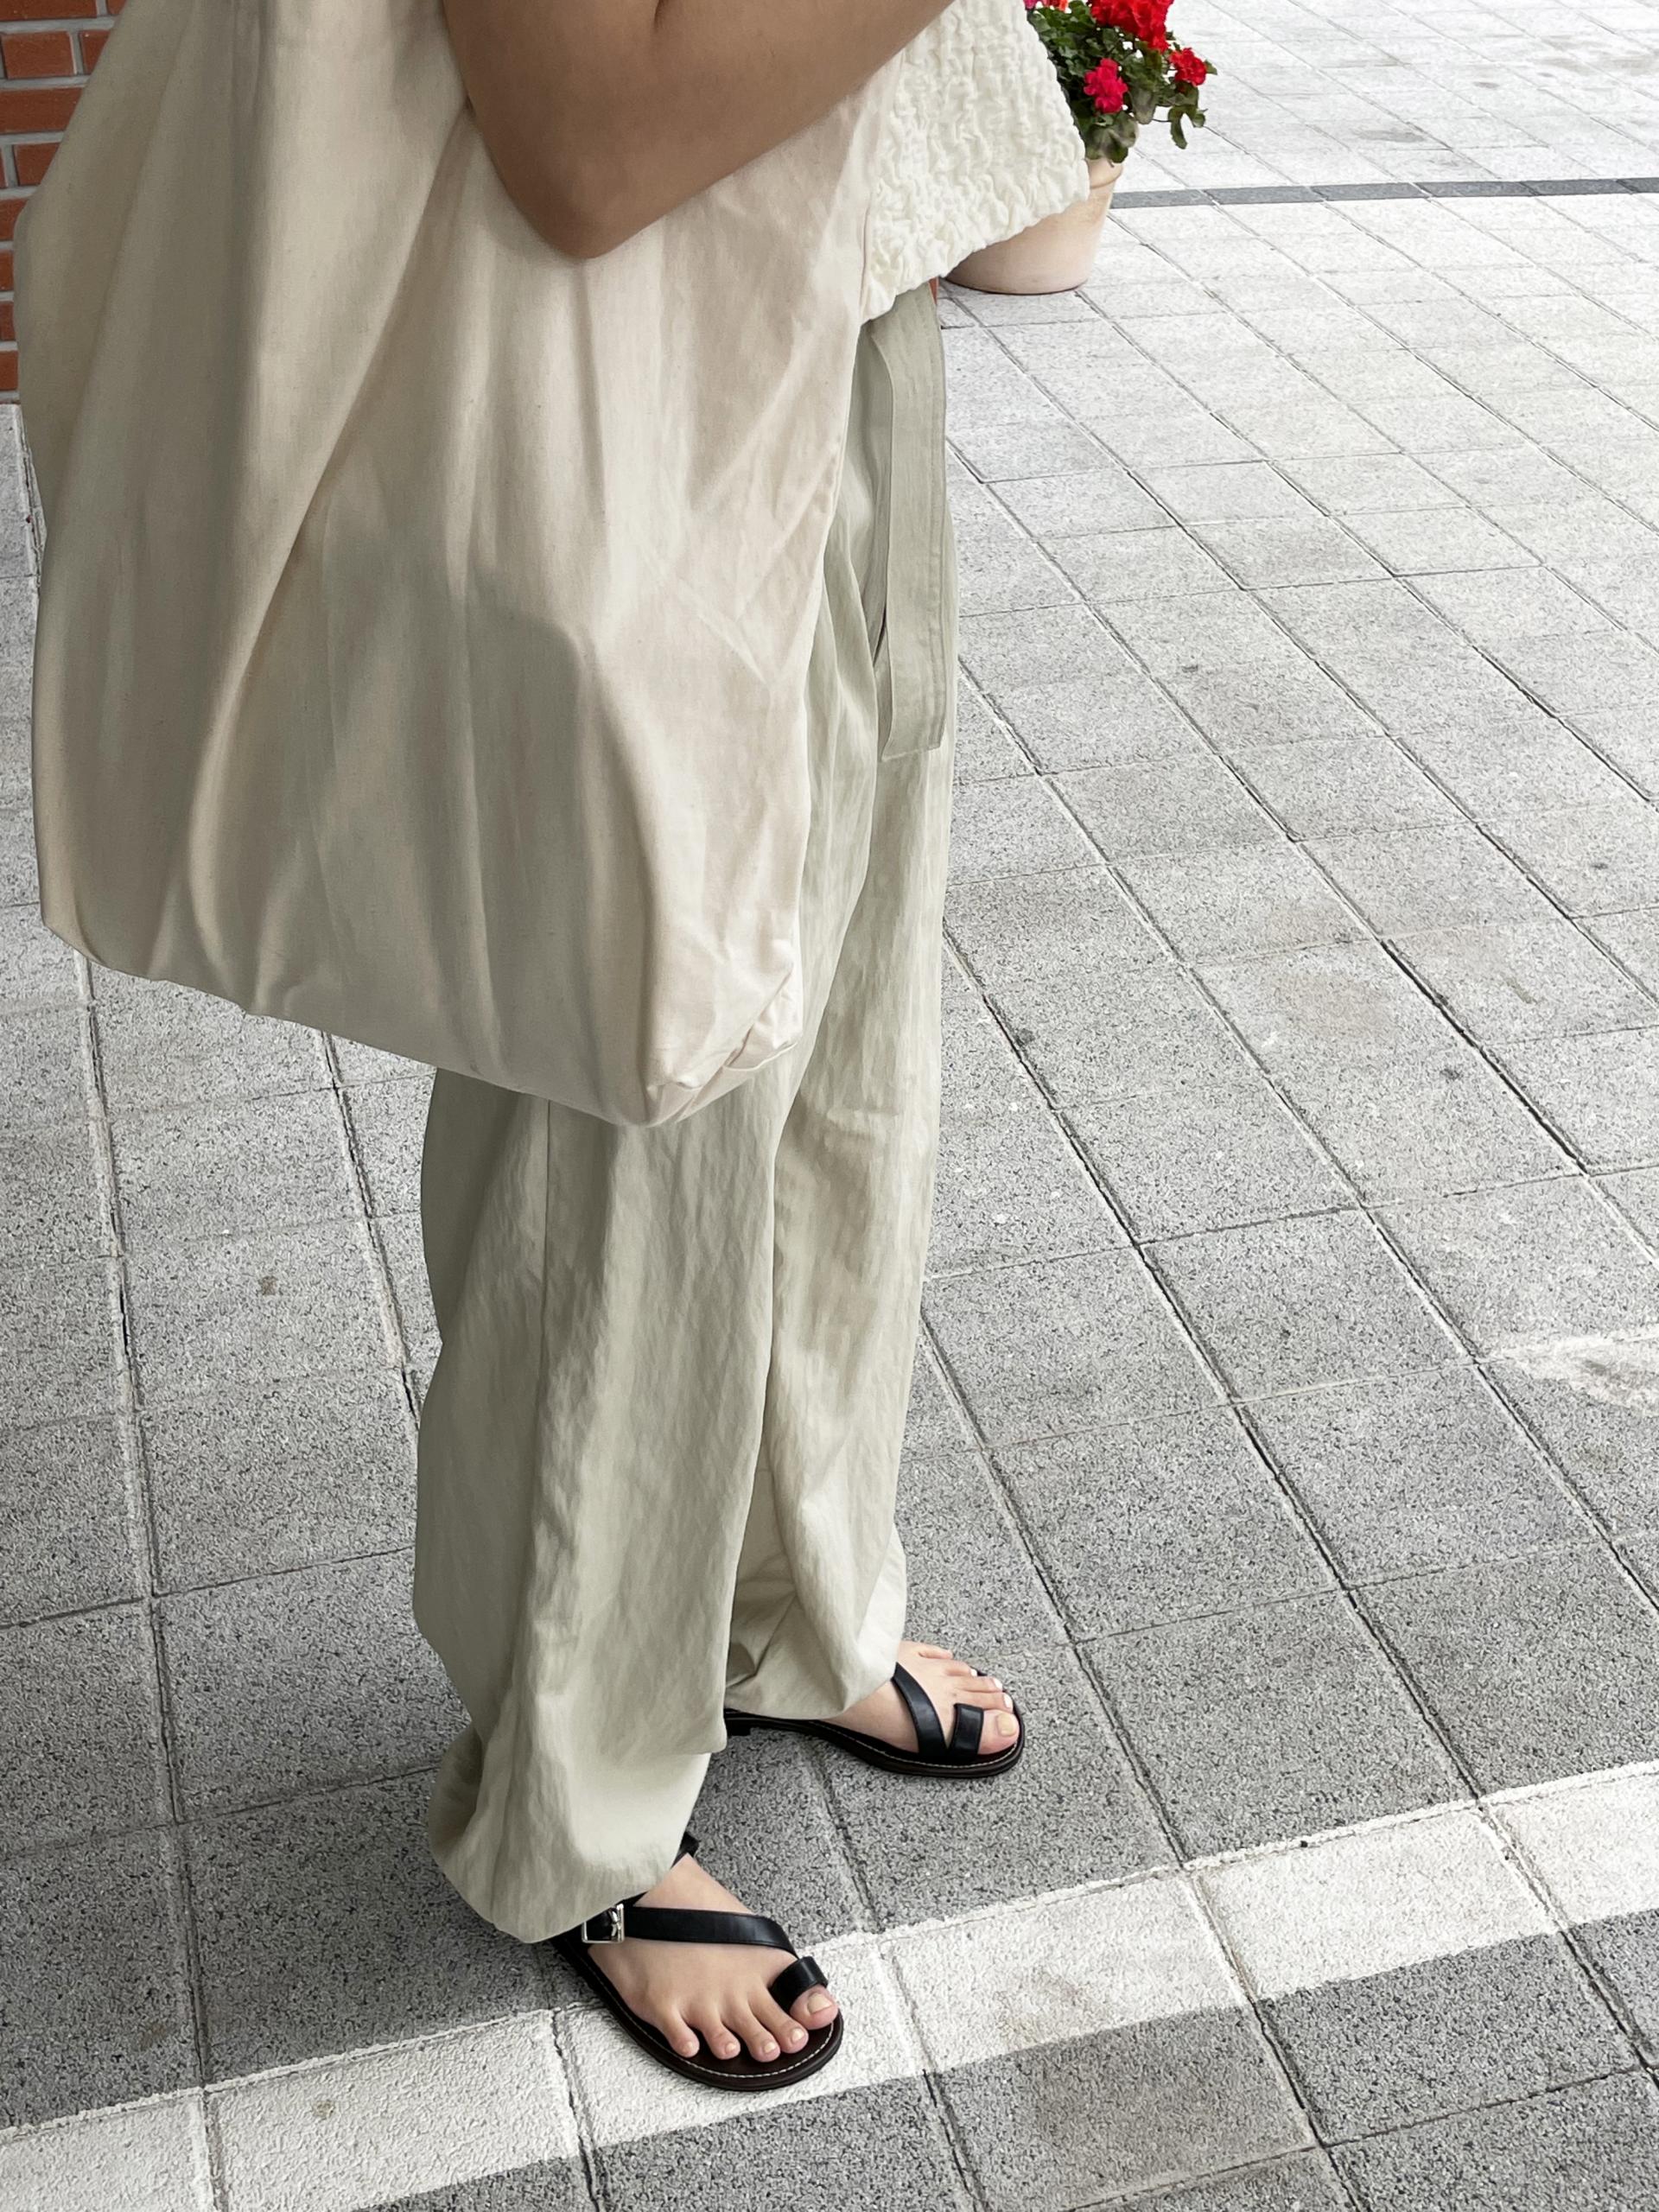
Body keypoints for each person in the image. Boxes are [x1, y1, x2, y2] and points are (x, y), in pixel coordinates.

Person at [415, 0, 1027, 2090]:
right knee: (633, 1090)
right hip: (633, 361)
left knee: (841, 1038)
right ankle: (578, 1794)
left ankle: (785, 1598)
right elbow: (581, 142)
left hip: (830, 307)